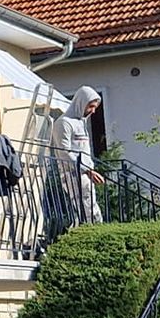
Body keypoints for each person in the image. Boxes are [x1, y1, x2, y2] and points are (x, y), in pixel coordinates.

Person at [48, 85, 106, 226]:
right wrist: (87, 170)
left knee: (91, 209)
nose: (93, 111)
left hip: (85, 174)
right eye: (90, 107)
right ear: (81, 102)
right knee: (86, 210)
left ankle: (94, 231)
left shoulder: (81, 123)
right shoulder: (63, 123)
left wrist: (89, 169)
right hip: (73, 174)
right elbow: (64, 152)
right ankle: (92, 232)